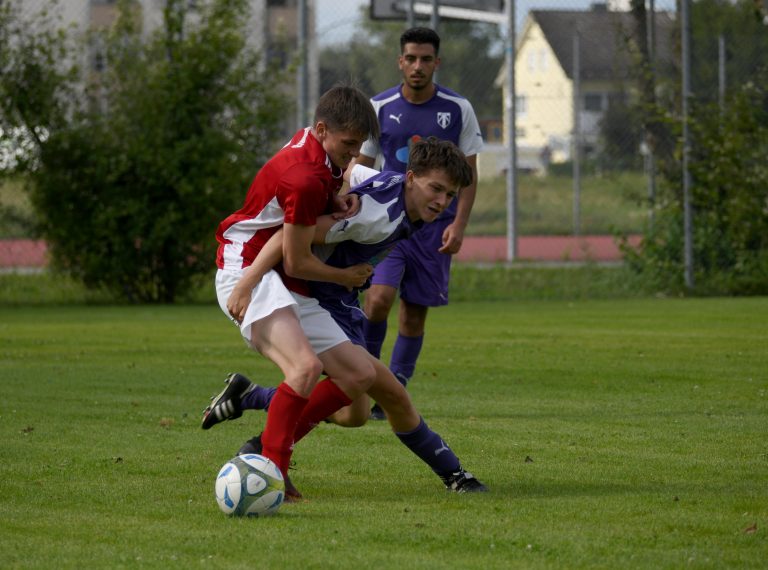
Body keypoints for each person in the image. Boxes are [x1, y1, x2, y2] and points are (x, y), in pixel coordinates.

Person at [204, 138, 487, 496]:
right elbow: (291, 237)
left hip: (337, 299)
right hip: (323, 300)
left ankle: (254, 401)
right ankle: (456, 477)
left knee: (355, 414)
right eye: (436, 189)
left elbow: (354, 171)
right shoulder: (378, 214)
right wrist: (250, 280)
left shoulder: (393, 187)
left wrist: (340, 188)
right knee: (387, 392)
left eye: (450, 195)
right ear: (411, 177)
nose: (442, 201)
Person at [208, 84, 381, 499]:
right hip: (248, 270)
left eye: (360, 145)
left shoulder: (316, 148)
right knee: (303, 368)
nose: (354, 154)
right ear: (322, 129)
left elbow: (306, 207)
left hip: (278, 275)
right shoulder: (304, 176)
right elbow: (298, 259)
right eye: (349, 144)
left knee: (359, 374)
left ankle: (261, 429)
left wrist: (337, 201)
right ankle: (272, 474)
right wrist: (347, 278)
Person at [352, 27, 484, 419]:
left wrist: (458, 224)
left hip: (435, 228)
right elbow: (360, 167)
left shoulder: (457, 108)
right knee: (377, 299)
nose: (418, 66)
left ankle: (392, 392)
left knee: (413, 313)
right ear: (400, 61)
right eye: (411, 58)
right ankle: (364, 376)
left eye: (426, 59)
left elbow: (470, 176)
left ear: (436, 63)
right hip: (389, 223)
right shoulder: (379, 107)